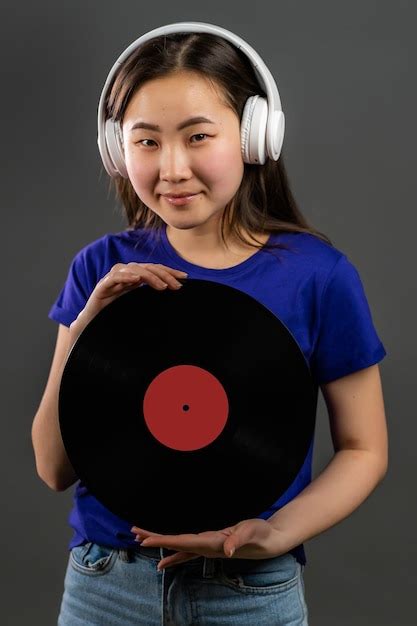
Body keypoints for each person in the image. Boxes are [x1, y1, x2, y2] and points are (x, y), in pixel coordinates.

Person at [31, 23, 388, 626]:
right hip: (105, 588)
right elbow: (53, 467)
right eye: (146, 141)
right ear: (118, 149)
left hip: (248, 594)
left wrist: (275, 535)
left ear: (255, 136)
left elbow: (364, 448)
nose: (171, 168)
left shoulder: (319, 276)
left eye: (198, 136)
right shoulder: (100, 267)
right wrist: (90, 321)